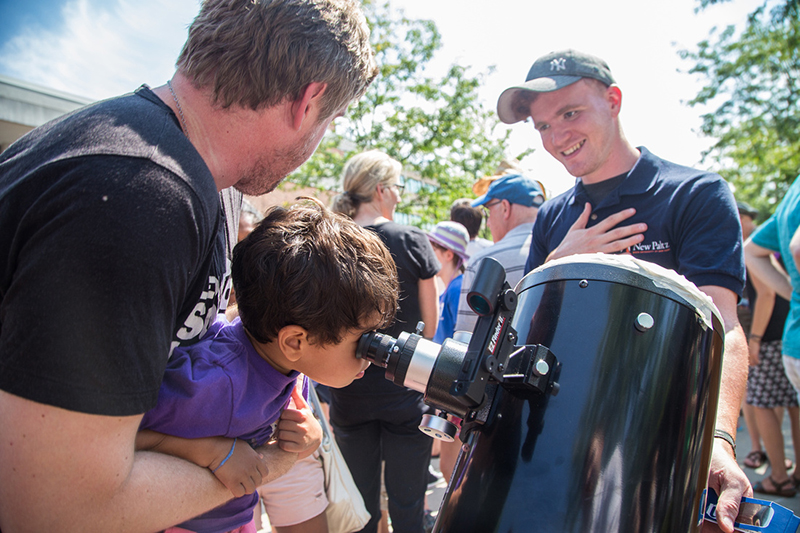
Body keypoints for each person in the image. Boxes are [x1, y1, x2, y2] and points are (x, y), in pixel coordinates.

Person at [0, 1, 378, 530]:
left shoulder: (202, 181)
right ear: (309, 101)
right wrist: (272, 460)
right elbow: (55, 509)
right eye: (330, 122)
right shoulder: (138, 195)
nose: (317, 145)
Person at [496, 49, 750, 532]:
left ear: (613, 100)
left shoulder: (695, 193)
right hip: (553, 453)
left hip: (659, 453)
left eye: (570, 113)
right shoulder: (553, 217)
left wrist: (718, 440)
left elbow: (726, 327)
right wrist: (557, 265)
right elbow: (525, 331)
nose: (557, 137)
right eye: (543, 126)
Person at [135, 200, 398, 533]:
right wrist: (210, 451)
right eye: (362, 342)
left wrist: (311, 435)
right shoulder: (216, 383)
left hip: (230, 515)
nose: (370, 356)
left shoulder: (285, 362)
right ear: (294, 342)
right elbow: (125, 439)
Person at [330, 150, 440, 533]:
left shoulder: (331, 240)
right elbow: (431, 323)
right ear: (381, 190)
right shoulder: (409, 238)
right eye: (398, 187)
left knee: (360, 508)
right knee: (408, 506)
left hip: (347, 390)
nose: (400, 195)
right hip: (405, 388)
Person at [745, 176, 800, 488]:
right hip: (784, 337)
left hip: (779, 338)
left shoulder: (791, 196)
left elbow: (765, 294)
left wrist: (753, 339)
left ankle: (779, 476)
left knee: (764, 403)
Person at [454, 173, 544, 334]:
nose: (487, 222)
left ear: (505, 208)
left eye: (488, 211)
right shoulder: (566, 251)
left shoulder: (484, 262)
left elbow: (464, 339)